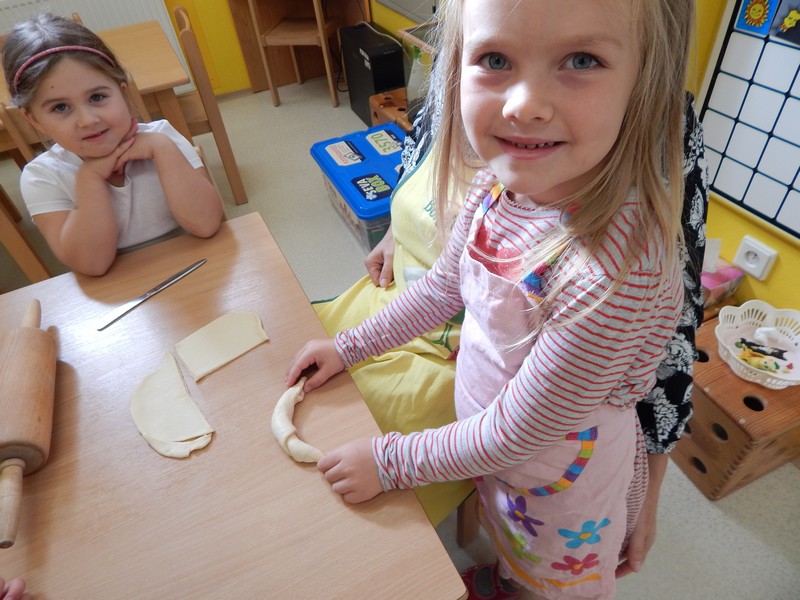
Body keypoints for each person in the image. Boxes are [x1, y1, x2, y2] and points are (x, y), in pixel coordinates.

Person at [290, 0, 693, 597]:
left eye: (582, 60)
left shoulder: (616, 273)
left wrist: (389, 462)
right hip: (494, 454)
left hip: (563, 488)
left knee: (550, 583)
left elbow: (515, 431)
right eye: (496, 59)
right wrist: (349, 347)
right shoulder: (495, 186)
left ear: (645, 83)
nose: (524, 104)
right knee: (510, 551)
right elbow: (442, 289)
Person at [2, 13, 223, 277]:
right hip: (117, 287)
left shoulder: (163, 137)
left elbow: (206, 224)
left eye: (97, 97)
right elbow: (92, 265)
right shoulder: (41, 177)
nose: (88, 120)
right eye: (60, 107)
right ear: (34, 120)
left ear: (123, 93)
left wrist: (163, 149)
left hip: (196, 266)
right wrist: (90, 178)